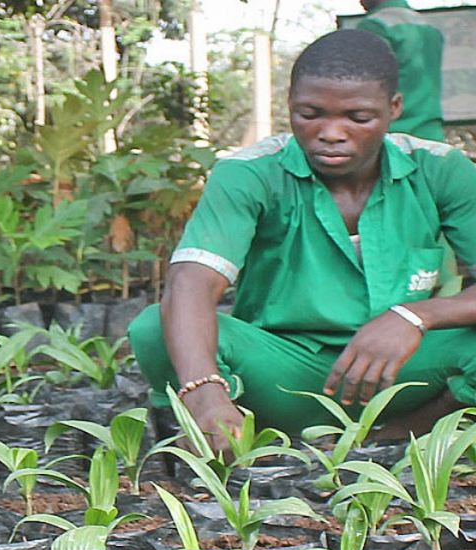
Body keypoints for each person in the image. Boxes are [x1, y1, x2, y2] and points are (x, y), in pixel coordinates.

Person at [126, 29, 476, 453]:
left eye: (358, 118)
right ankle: (227, 432)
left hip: (404, 372)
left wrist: (415, 315)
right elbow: (192, 280)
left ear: (394, 109)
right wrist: (205, 392)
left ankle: (403, 434)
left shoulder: (439, 169)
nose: (331, 132)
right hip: (281, 374)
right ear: (288, 105)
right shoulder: (251, 173)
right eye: (310, 113)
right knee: (153, 327)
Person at [357, 0, 445, 142]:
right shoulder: (430, 27)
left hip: (391, 131)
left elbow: (363, 85)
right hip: (430, 130)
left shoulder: (374, 25)